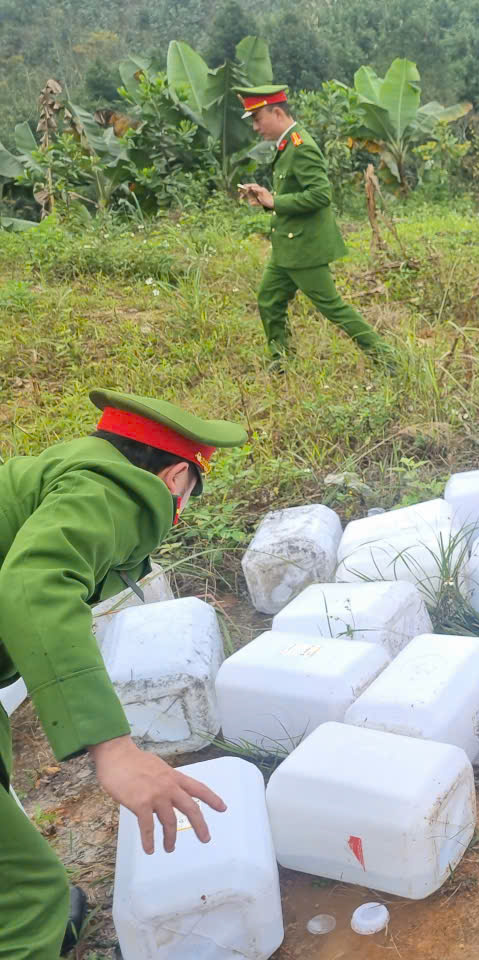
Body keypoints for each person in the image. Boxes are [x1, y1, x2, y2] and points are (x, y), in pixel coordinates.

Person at [0, 390, 248, 958]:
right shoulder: (117, 490)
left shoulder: (66, 467)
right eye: (191, 493)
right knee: (27, 895)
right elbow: (34, 583)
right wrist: (112, 747)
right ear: (177, 476)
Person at [233, 84, 395, 369]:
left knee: (332, 307)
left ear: (278, 113)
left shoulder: (301, 146)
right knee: (269, 300)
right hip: (288, 246)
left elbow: (321, 195)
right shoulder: (288, 144)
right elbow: (295, 191)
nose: (256, 127)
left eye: (258, 119)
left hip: (304, 248)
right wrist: (266, 197)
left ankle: (388, 359)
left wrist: (275, 201)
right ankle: (281, 362)